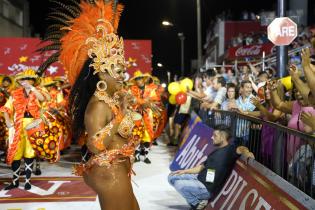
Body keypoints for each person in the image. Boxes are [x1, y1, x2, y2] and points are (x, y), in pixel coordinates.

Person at [39, 1, 140, 209]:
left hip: (119, 169)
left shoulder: (110, 101)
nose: (123, 76)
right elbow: (96, 145)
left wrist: (125, 108)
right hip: (109, 173)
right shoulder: (98, 106)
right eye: (118, 72)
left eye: (123, 71)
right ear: (102, 73)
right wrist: (121, 116)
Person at [168, 125, 254, 210]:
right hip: (199, 179)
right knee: (171, 176)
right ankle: (195, 201)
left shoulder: (230, 150)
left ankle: (196, 203)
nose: (212, 137)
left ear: (223, 137)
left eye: (215, 135)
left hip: (207, 188)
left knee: (179, 184)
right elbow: (201, 167)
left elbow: (242, 148)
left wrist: (247, 153)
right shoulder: (216, 151)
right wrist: (184, 171)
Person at [0, 69, 45, 190]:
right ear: (20, 82)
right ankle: (14, 181)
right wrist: (8, 121)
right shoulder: (14, 94)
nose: (26, 82)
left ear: (33, 81)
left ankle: (27, 181)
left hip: (32, 125)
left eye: (29, 79)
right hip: (17, 125)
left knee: (29, 153)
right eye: (24, 80)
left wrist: (33, 89)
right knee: (16, 154)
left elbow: (42, 99)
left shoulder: (36, 92)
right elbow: (5, 108)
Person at [129, 70, 159, 164]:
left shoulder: (151, 89)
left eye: (140, 78)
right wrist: (142, 102)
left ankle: (144, 155)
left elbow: (154, 101)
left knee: (148, 135)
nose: (139, 80)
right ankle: (137, 155)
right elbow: (132, 101)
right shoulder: (132, 89)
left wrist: (147, 103)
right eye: (137, 79)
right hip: (136, 114)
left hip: (147, 115)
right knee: (136, 135)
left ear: (143, 79)